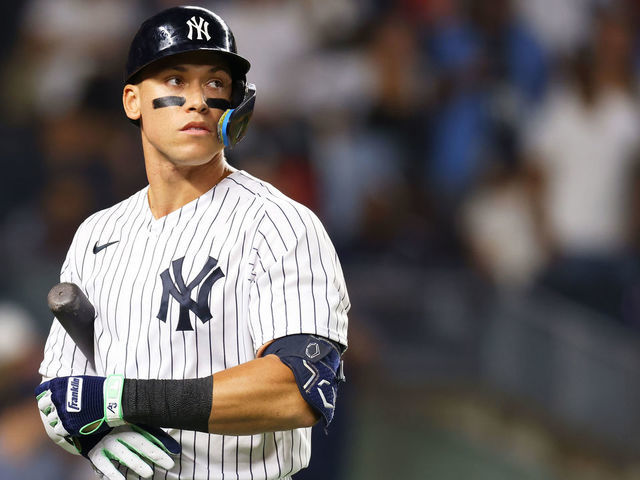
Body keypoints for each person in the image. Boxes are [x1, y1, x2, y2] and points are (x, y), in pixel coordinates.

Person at [34, 6, 350, 480]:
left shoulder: (279, 224)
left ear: (235, 105)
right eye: (175, 80)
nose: (198, 100)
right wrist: (85, 425)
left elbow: (298, 389)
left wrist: (123, 400)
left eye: (215, 84)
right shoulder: (97, 234)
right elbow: (60, 391)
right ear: (132, 101)